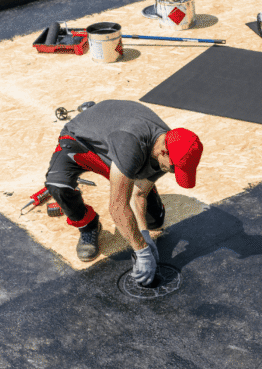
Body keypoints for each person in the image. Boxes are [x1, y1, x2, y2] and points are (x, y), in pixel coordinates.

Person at [43, 100, 203, 285]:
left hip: (118, 147)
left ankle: (133, 175)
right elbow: (117, 207)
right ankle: (88, 225)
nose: (174, 172)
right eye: (174, 169)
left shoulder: (171, 145)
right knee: (57, 185)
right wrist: (141, 252)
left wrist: (143, 234)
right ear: (163, 152)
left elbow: (139, 194)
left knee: (155, 221)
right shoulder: (133, 144)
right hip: (80, 142)